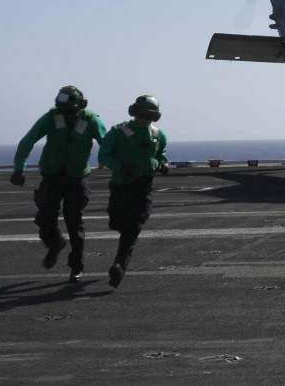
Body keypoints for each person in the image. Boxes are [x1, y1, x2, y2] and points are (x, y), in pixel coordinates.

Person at [11, 85, 106, 283]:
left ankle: (76, 267)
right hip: (52, 177)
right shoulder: (50, 118)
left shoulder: (91, 120)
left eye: (70, 110)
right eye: (63, 110)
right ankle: (55, 243)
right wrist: (19, 169)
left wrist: (119, 164)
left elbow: (107, 144)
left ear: (80, 105)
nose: (66, 114)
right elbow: (28, 141)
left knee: (74, 222)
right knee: (45, 219)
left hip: (76, 178)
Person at [98, 94, 169, 288]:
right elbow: (103, 156)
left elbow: (161, 154)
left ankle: (119, 265)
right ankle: (120, 260)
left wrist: (162, 164)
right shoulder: (119, 132)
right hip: (122, 186)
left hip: (144, 186)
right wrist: (120, 167)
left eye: (149, 116)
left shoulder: (158, 135)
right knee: (117, 222)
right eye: (141, 114)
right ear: (134, 113)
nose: (144, 119)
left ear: (155, 117)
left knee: (135, 225)